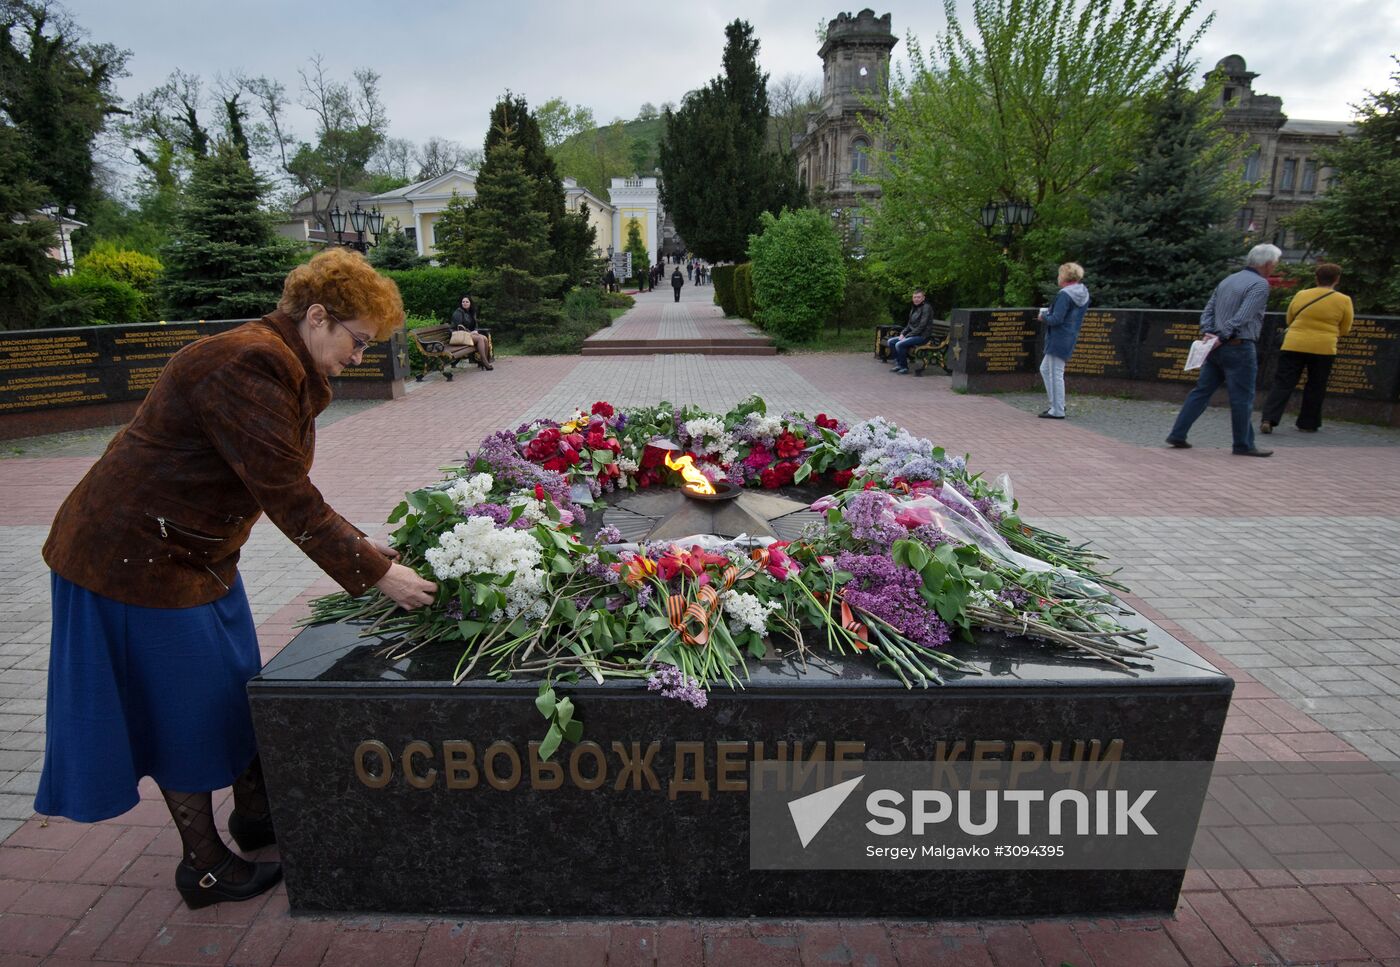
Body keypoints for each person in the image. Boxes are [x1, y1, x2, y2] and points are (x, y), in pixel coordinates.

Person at [36, 248, 438, 910]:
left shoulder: (280, 361)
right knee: (181, 706)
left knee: (231, 681)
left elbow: (280, 481)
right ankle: (204, 867)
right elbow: (285, 491)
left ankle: (254, 815)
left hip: (193, 552)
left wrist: (367, 547)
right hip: (132, 558)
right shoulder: (245, 362)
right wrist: (376, 572)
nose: (361, 356)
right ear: (316, 317)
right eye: (357, 340)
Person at [1166, 243, 1281, 456]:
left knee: (1201, 391)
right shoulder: (1260, 285)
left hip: (1215, 347)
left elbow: (1208, 310)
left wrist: (1209, 332)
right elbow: (1244, 315)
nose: (1274, 267)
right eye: (1274, 264)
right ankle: (1243, 445)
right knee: (1242, 397)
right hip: (1238, 345)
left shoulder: (1228, 280)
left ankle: (1178, 433)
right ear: (1267, 264)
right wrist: (1222, 336)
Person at [1259, 262, 1354, 434]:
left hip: (1294, 343)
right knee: (1316, 385)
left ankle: (1269, 418)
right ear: (1337, 279)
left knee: (1283, 382)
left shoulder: (1302, 294)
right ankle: (1308, 423)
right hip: (1324, 347)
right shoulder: (1343, 300)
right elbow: (1346, 328)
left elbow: (1290, 319)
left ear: (1316, 278)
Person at [1036, 263, 1091, 419]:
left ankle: (1058, 409)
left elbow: (1056, 319)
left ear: (1065, 277)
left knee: (1056, 372)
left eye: (1059, 275)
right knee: (1045, 369)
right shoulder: (1083, 293)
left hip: (1058, 337)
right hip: (1070, 335)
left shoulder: (1064, 294)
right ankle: (1056, 405)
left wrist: (1043, 316)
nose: (1058, 277)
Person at [887, 289, 935, 374]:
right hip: (913, 335)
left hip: (922, 336)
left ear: (923, 298)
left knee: (899, 344)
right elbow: (909, 325)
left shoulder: (926, 308)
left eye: (919, 297)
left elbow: (922, 326)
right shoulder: (914, 308)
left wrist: (907, 336)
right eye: (915, 297)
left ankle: (904, 367)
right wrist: (902, 333)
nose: (916, 299)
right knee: (890, 341)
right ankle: (898, 364)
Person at [449, 294, 493, 371]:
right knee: (480, 339)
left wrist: (475, 330)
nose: (465, 303)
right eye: (463, 302)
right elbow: (459, 327)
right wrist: (470, 332)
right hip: (459, 336)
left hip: (467, 335)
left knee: (484, 338)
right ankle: (484, 361)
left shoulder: (471, 312)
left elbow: (475, 324)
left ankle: (484, 360)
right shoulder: (458, 312)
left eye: (467, 302)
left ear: (470, 303)